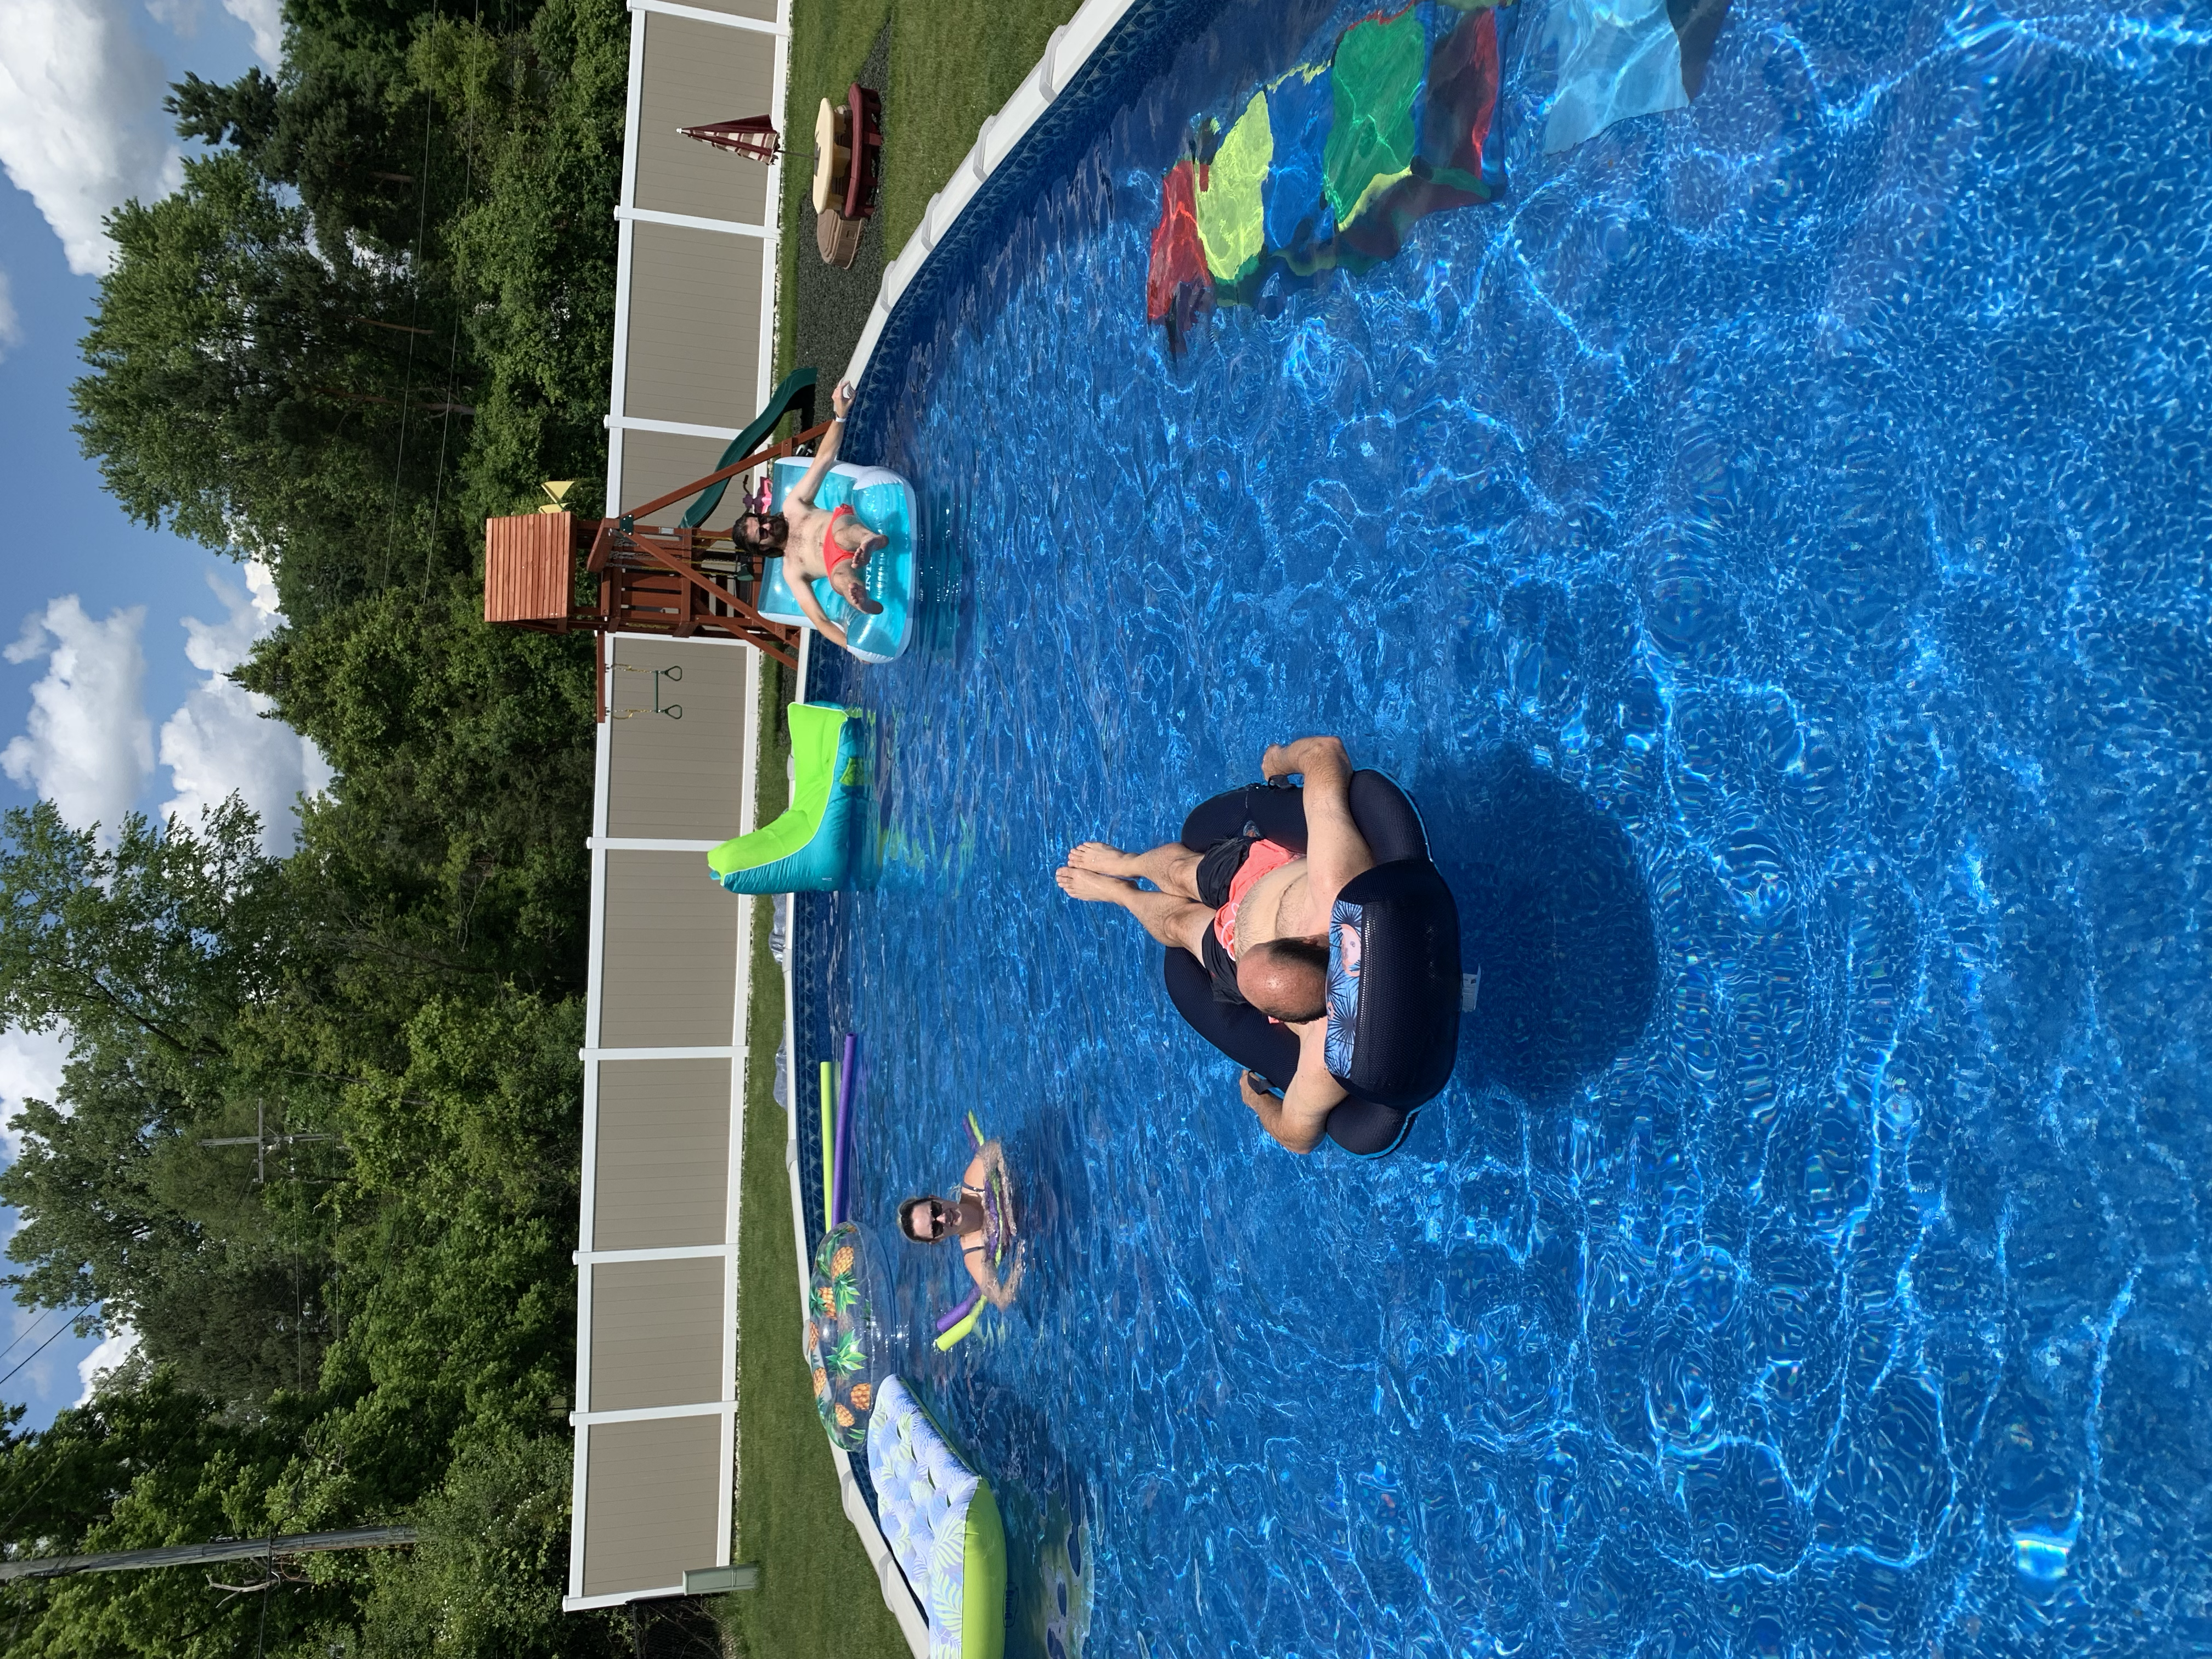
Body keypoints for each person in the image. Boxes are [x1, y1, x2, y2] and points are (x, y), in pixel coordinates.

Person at [1054, 735, 1374, 1155]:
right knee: (1181, 871)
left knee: (1176, 922)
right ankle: (1126, 863)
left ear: (1294, 1022)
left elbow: (1300, 1137)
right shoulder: (1340, 890)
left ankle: (1124, 895)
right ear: (1314, 939)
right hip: (1260, 875)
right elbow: (1325, 753)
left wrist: (1258, 1103)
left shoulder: (1324, 1054)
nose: (1236, 930)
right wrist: (1277, 759)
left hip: (1235, 953)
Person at [734, 379, 887, 654]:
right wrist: (851, 646)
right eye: (763, 533)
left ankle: (871, 540)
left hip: (840, 526)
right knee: (839, 581)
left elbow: (823, 460)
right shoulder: (792, 571)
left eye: (762, 520)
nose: (768, 525)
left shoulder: (794, 507)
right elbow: (819, 620)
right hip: (839, 563)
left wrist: (840, 415)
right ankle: (862, 600)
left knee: (842, 535)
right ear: (763, 548)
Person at [898, 1139, 1022, 1309]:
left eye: (934, 1210)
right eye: (935, 1228)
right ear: (937, 1240)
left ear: (936, 1198)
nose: (943, 1218)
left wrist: (1007, 1186)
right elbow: (1001, 1300)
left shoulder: (975, 1183)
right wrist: (1020, 1261)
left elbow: (995, 1147)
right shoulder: (975, 1256)